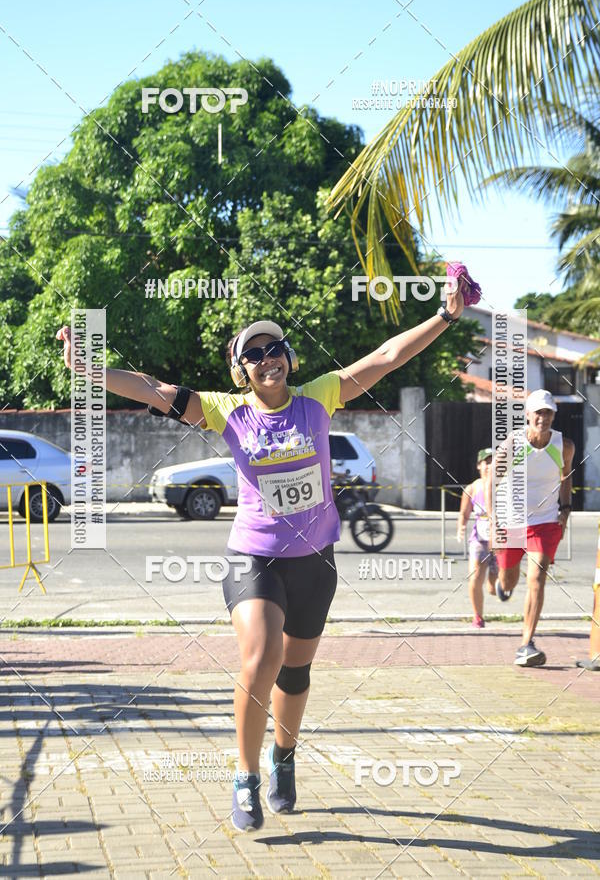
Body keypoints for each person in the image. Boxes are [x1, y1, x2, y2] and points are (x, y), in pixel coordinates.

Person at [56, 280, 466, 831]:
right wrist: (89, 371)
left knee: (295, 674)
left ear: (288, 359)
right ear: (240, 371)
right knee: (261, 659)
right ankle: (245, 778)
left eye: (274, 349)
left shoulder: (320, 396)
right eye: (253, 354)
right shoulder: (228, 412)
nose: (266, 359)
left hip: (316, 560)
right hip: (255, 558)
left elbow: (387, 357)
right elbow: (153, 388)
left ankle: (284, 758)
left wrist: (445, 315)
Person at [486, 389, 574, 667]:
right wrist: (492, 519)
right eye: (538, 412)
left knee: (537, 577)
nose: (543, 418)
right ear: (527, 415)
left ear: (553, 416)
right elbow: (492, 482)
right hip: (512, 522)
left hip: (546, 522)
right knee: (509, 580)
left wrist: (566, 508)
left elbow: (566, 476)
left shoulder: (564, 445)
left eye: (548, 412)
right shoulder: (512, 444)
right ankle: (501, 583)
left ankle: (526, 644)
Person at [457, 447, 498, 628]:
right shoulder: (472, 488)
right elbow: (464, 512)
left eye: (493, 462)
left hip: (500, 538)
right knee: (475, 575)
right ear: (479, 466)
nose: (490, 466)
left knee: (494, 585)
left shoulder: (504, 485)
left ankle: (494, 579)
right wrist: (461, 527)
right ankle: (478, 617)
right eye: (486, 462)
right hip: (479, 537)